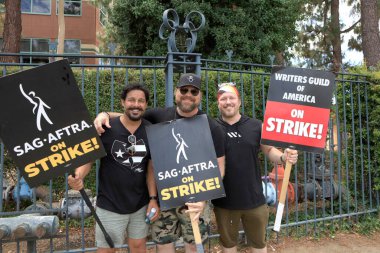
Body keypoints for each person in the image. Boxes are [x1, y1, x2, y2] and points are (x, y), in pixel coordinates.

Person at [93, 73, 226, 253]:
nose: (188, 94)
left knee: (194, 244)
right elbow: (132, 113)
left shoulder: (211, 127)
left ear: (200, 96)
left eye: (193, 91)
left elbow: (219, 168)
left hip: (196, 197)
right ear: (176, 92)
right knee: (163, 242)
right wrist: (104, 114)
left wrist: (204, 198)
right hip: (166, 196)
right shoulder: (160, 115)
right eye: (184, 90)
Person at [68, 84, 159, 253]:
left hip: (140, 204)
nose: (136, 104)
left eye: (141, 101)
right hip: (110, 204)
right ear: (122, 102)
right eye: (131, 100)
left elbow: (151, 169)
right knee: (107, 250)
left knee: (139, 247)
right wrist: (79, 176)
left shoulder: (151, 130)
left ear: (146, 105)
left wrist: (153, 198)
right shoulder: (106, 129)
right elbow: (89, 159)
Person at [211, 82, 298, 253]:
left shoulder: (256, 126)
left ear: (239, 101)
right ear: (218, 103)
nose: (228, 102)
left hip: (255, 199)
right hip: (224, 202)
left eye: (232, 98)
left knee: (259, 246)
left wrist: (283, 156)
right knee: (228, 246)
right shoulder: (211, 128)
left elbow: (269, 150)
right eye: (223, 99)